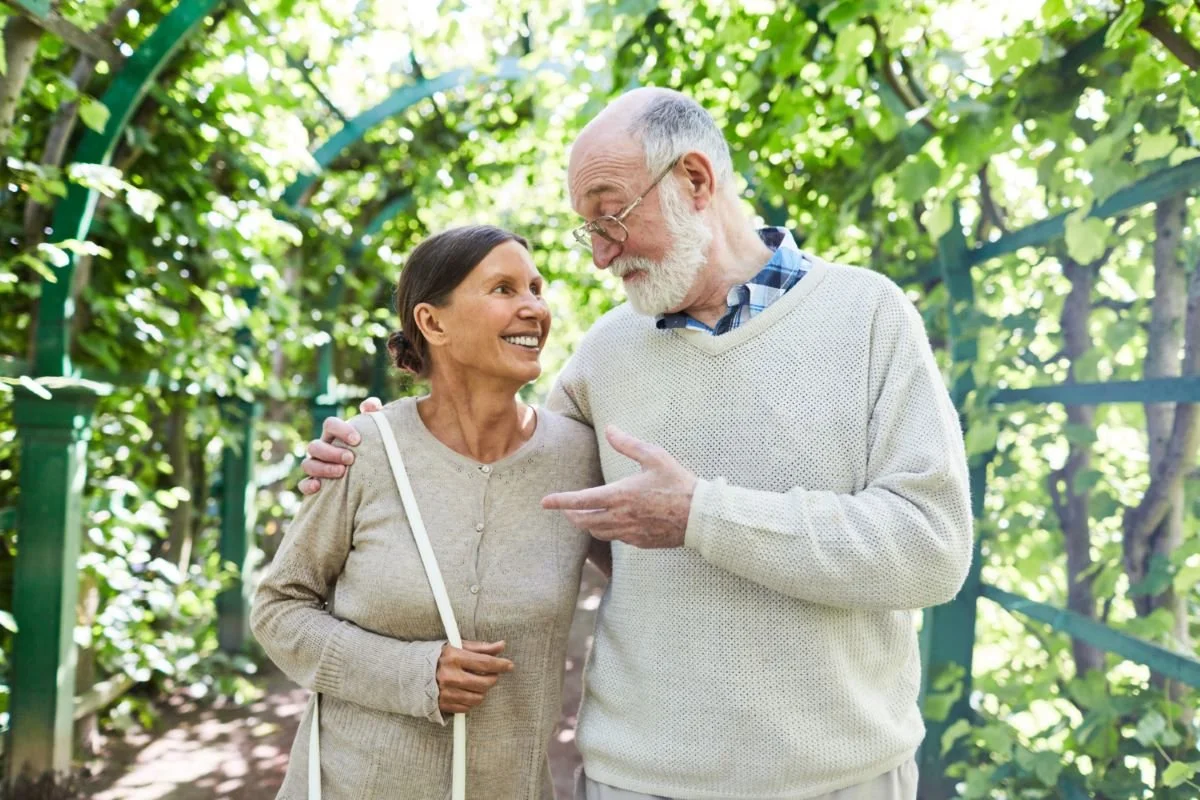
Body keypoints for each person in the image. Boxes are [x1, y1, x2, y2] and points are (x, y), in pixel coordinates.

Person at [300, 88, 973, 800]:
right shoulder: (604, 353)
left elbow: (931, 550)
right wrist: (385, 444)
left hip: (842, 782)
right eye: (584, 229)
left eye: (610, 216)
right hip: (635, 781)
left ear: (695, 180)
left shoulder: (868, 315)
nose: (597, 256)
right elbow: (506, 484)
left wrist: (701, 516)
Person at [252, 225, 605, 800]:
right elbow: (278, 608)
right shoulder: (362, 451)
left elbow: (647, 577)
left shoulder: (581, 457)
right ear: (433, 322)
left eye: (536, 288)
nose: (534, 308)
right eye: (504, 289)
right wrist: (411, 675)